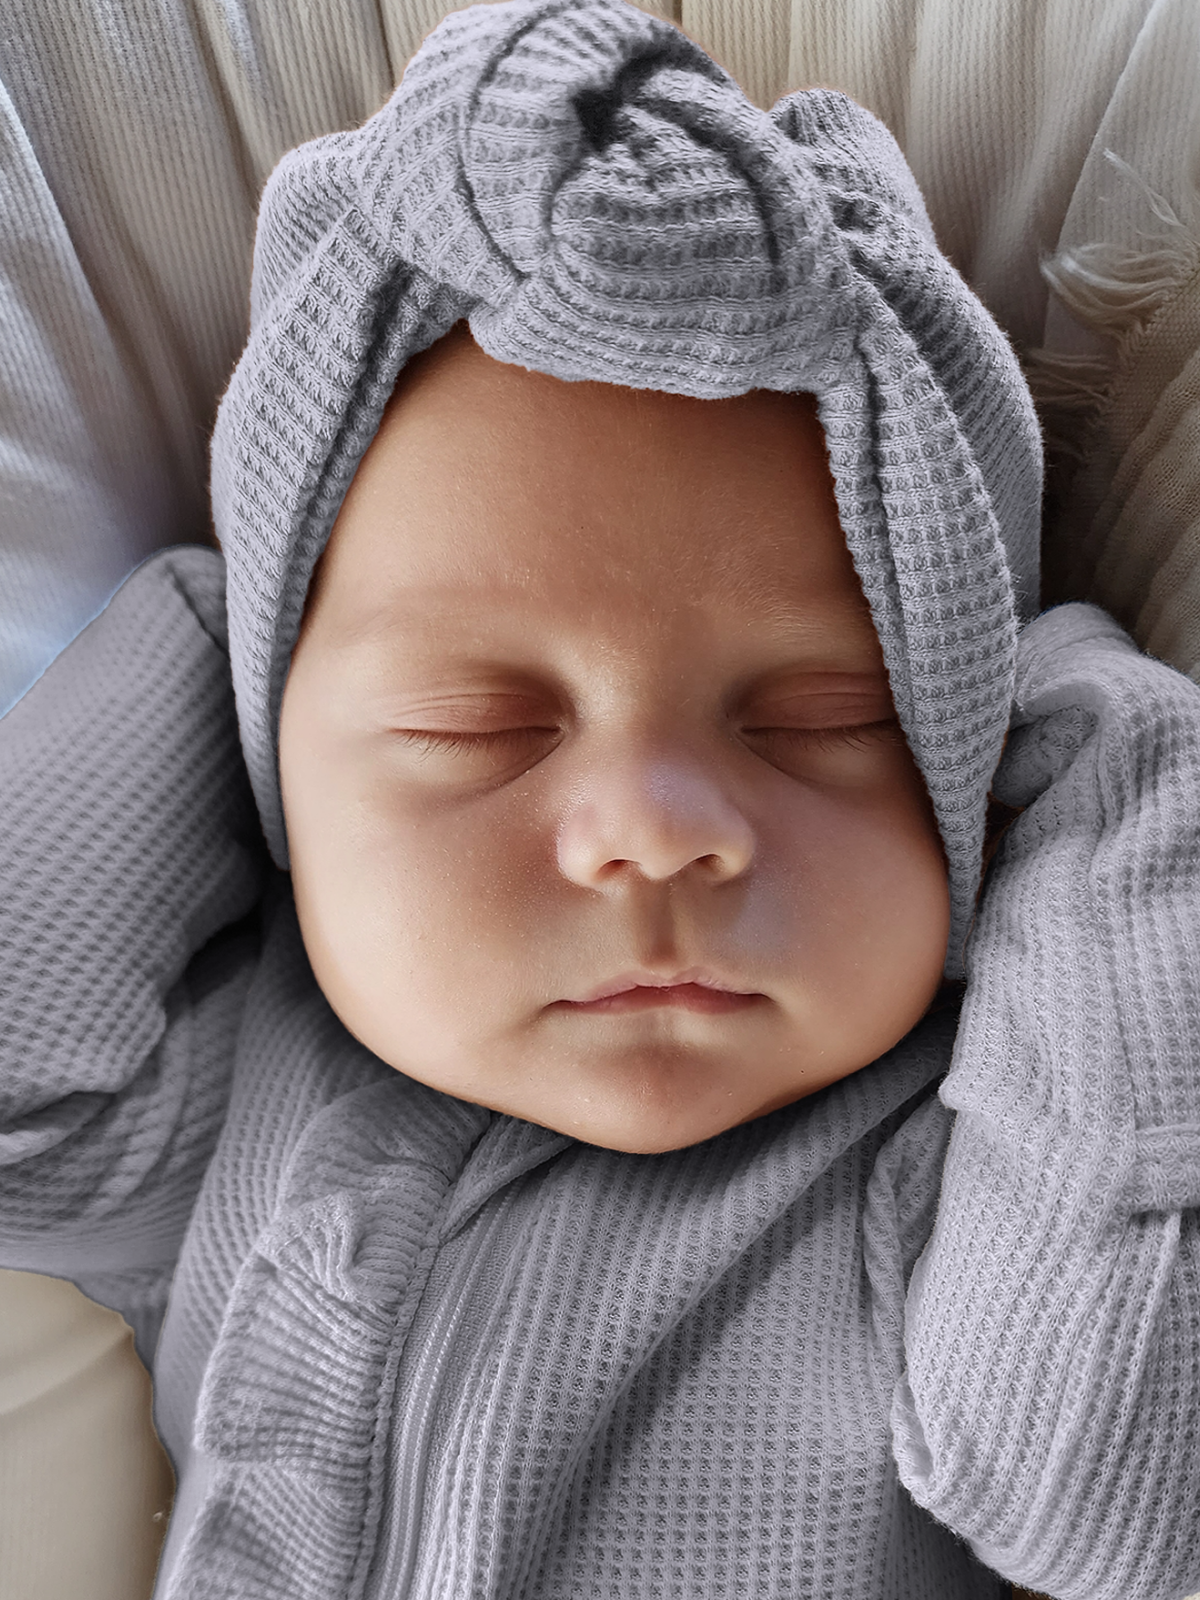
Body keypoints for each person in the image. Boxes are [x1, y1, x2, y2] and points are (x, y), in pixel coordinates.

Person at [1, 2, 1198, 1596]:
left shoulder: (962, 1142)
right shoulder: (245, 1079)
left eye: (825, 718)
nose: (654, 824)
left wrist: (1114, 767)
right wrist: (216, 626)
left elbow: (1110, 1509)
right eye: (475, 722)